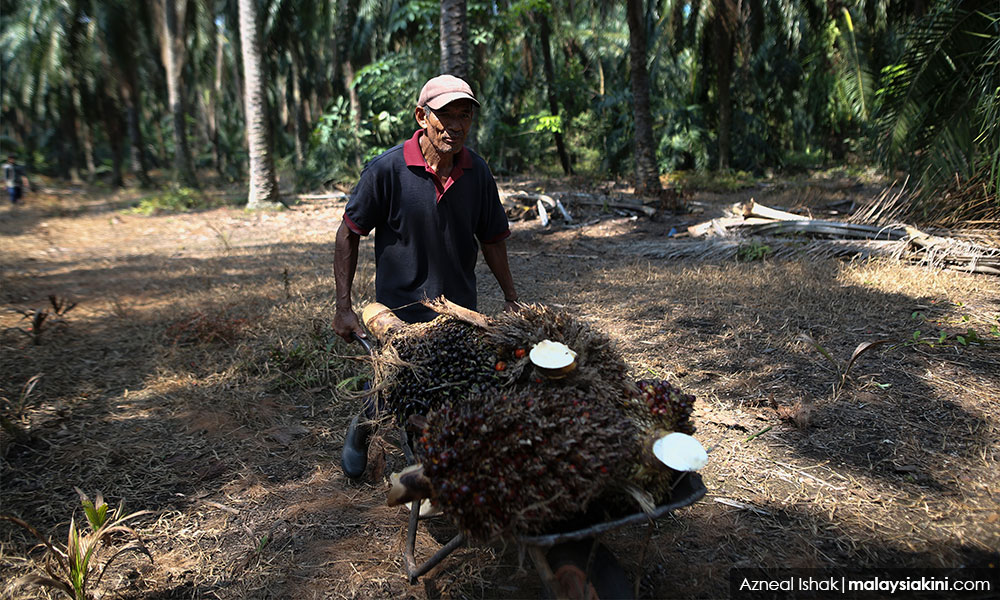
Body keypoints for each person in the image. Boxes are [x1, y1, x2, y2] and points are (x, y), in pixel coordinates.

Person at [333, 74, 519, 479]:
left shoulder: (477, 173)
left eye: (464, 116)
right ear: (422, 117)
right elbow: (349, 232)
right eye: (445, 116)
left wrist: (510, 297)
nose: (456, 126)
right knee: (399, 385)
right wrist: (344, 308)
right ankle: (362, 432)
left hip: (457, 311)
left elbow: (492, 239)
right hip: (399, 312)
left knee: (444, 391)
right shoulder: (387, 170)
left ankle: (426, 466)